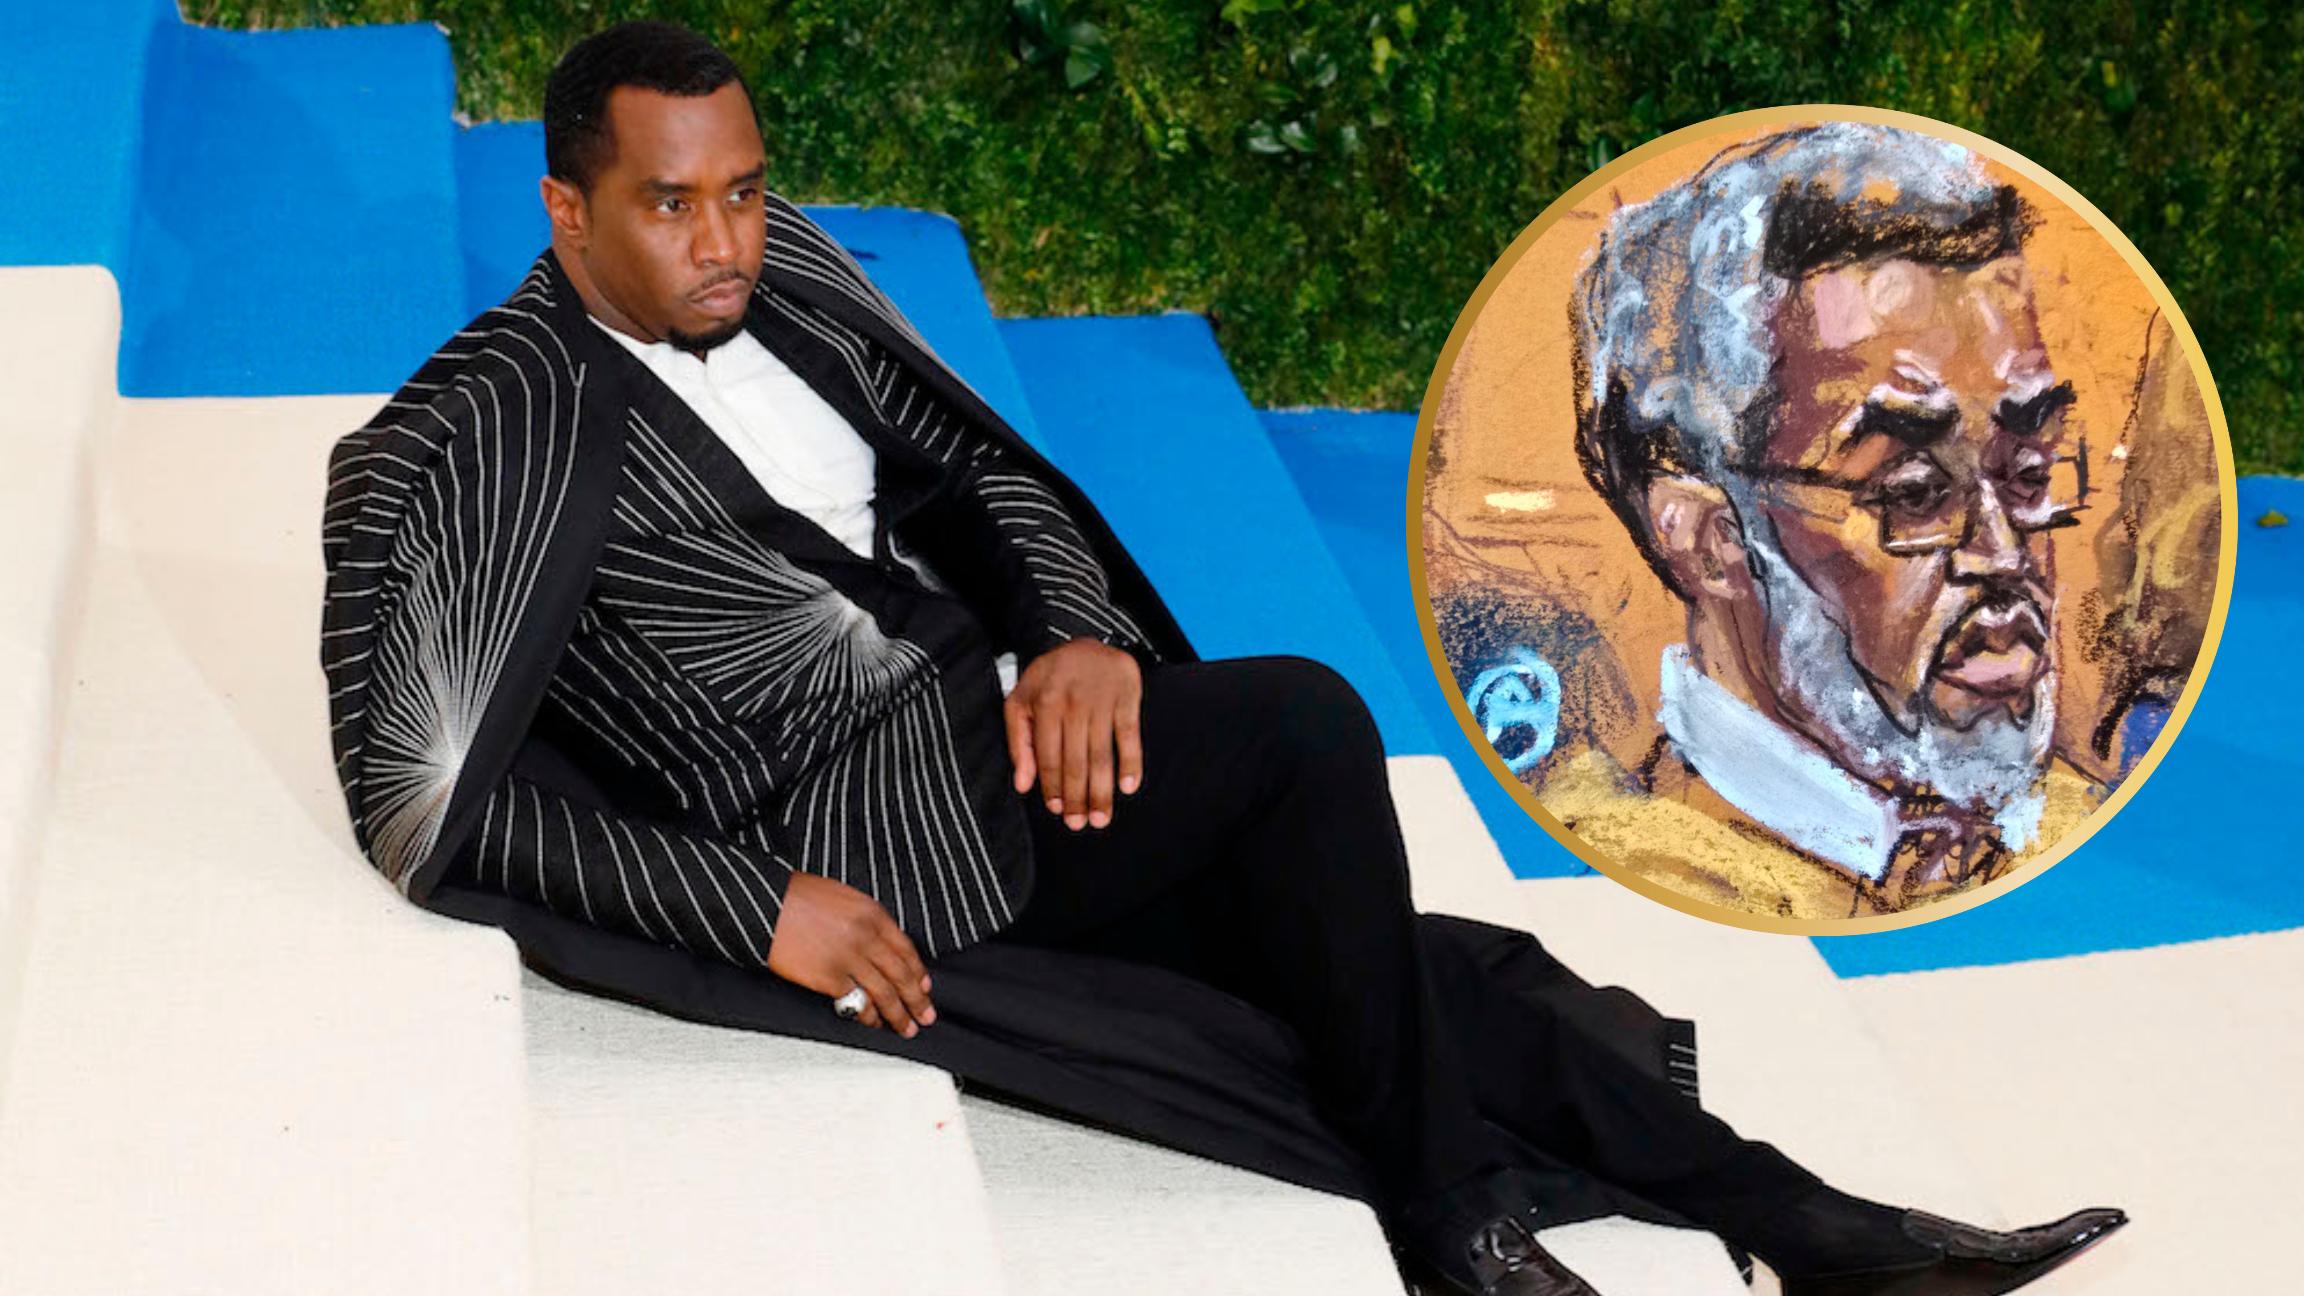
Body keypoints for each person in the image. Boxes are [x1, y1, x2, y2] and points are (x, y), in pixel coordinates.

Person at [317, 24, 2124, 1295]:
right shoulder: (462, 440)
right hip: (872, 843)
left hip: (1019, 756)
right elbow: (426, 798)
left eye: (742, 189)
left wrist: (1076, 636)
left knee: (1403, 977)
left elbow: (982, 479)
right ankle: (1454, 1226)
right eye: (671, 206)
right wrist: (753, 906)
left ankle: (1805, 1226)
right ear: (565, 211)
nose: (724, 239)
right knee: (1297, 725)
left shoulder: (781, 275)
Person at [1555, 123, 2116, 921]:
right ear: (1710, 543)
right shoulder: (1631, 878)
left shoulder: (2074, 824)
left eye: (2028, 473)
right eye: (1915, 493)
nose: (2002, 553)